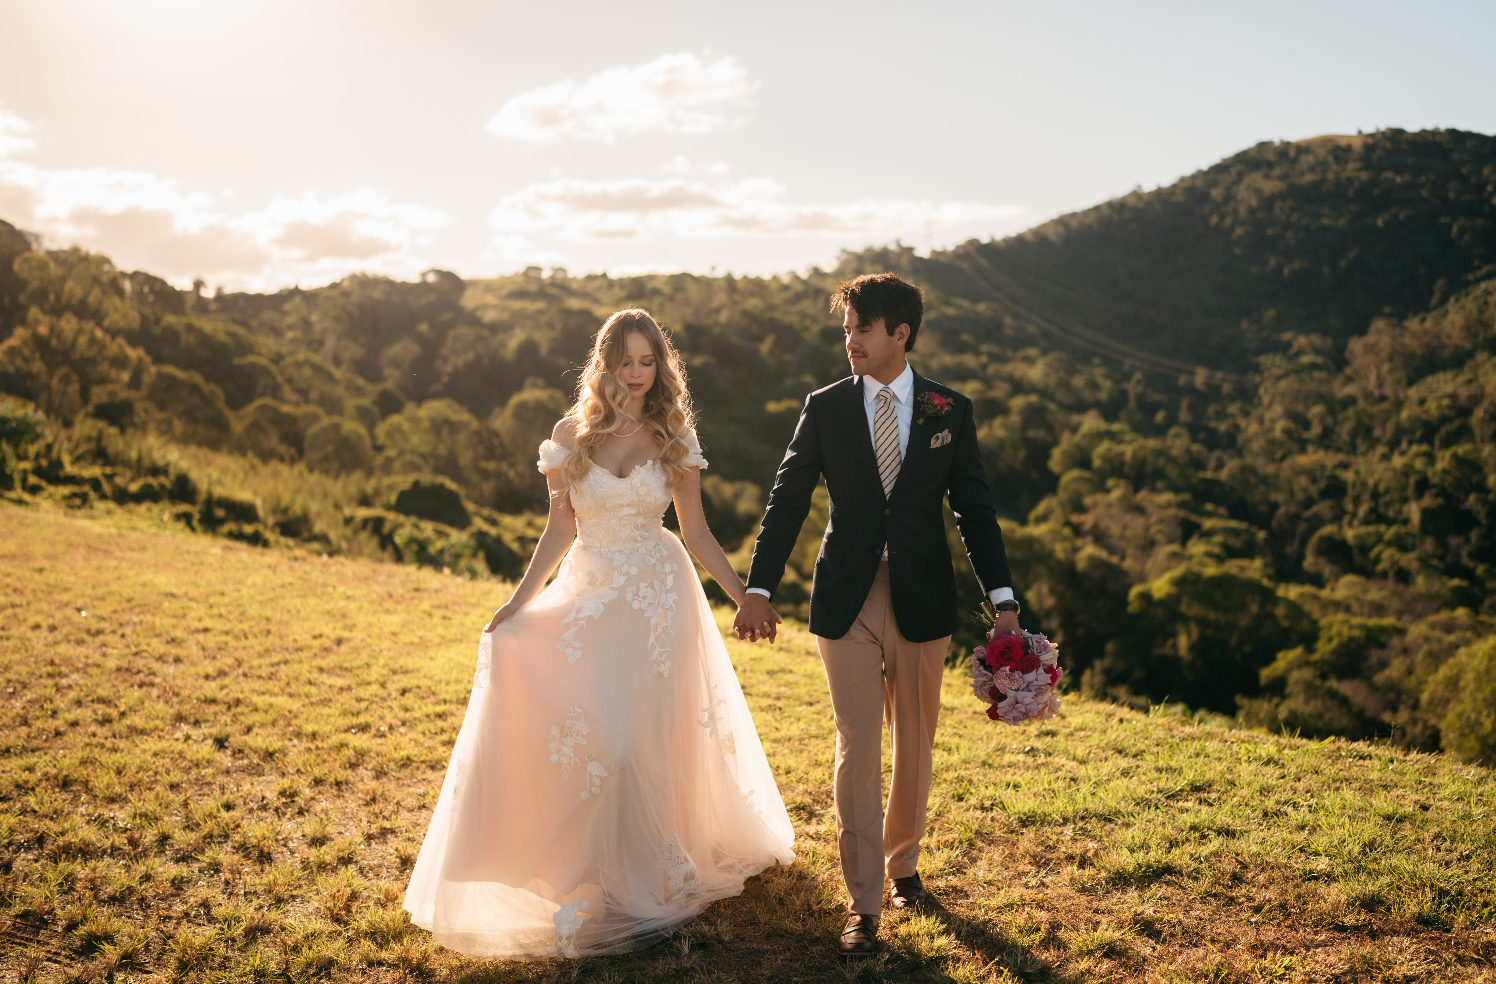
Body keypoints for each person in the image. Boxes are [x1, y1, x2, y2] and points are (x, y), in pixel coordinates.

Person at [404, 309, 794, 959]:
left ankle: (620, 874)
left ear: (659, 367)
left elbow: (695, 533)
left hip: (655, 600)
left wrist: (747, 596)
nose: (638, 375)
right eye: (627, 363)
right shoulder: (571, 433)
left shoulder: (674, 431)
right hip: (588, 596)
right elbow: (559, 529)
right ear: (605, 365)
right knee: (594, 740)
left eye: (648, 362)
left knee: (632, 744)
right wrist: (517, 601)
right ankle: (582, 876)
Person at [733, 273, 1019, 957]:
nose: (851, 341)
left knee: (914, 741)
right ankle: (862, 903)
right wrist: (760, 588)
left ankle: (903, 868)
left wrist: (1003, 602)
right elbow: (788, 499)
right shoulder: (825, 406)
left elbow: (973, 509)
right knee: (857, 744)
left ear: (901, 334)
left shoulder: (950, 409)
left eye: (863, 328)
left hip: (924, 595)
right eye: (846, 329)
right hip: (845, 596)